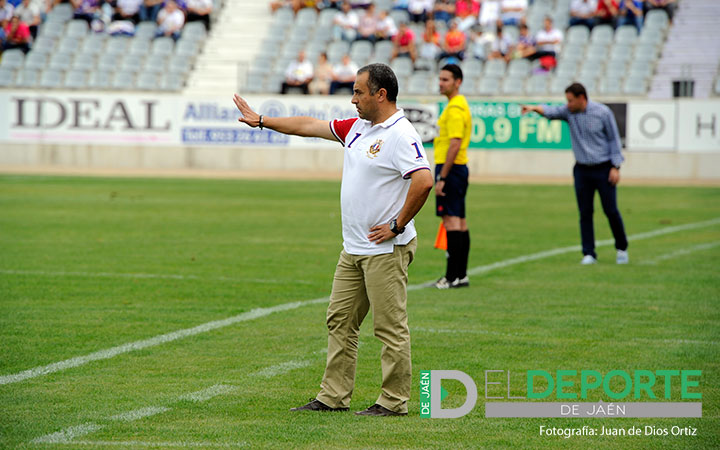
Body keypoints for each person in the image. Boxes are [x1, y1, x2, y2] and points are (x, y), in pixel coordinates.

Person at [232, 63, 433, 416]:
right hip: (353, 248)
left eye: (358, 91)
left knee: (389, 328)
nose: (352, 99)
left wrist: (397, 225)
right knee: (339, 321)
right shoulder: (357, 128)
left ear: (380, 94)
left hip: (385, 249)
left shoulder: (401, 134)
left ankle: (393, 402)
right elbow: (309, 125)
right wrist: (262, 120)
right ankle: (333, 397)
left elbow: (423, 180)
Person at [521, 83, 628, 265]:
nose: (568, 104)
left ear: (581, 98)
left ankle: (621, 248)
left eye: (570, 100)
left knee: (610, 210)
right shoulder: (568, 112)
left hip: (603, 168)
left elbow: (613, 140)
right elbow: (550, 111)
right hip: (582, 169)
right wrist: (533, 109)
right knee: (585, 212)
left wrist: (616, 167)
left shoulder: (602, 113)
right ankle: (588, 253)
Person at [433, 64, 472, 289]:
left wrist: (443, 177)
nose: (441, 83)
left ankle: (452, 276)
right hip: (457, 169)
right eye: (440, 79)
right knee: (460, 221)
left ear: (457, 82)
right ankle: (461, 275)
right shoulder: (457, 105)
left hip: (452, 169)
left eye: (446, 79)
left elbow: (455, 143)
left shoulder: (455, 108)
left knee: (451, 221)